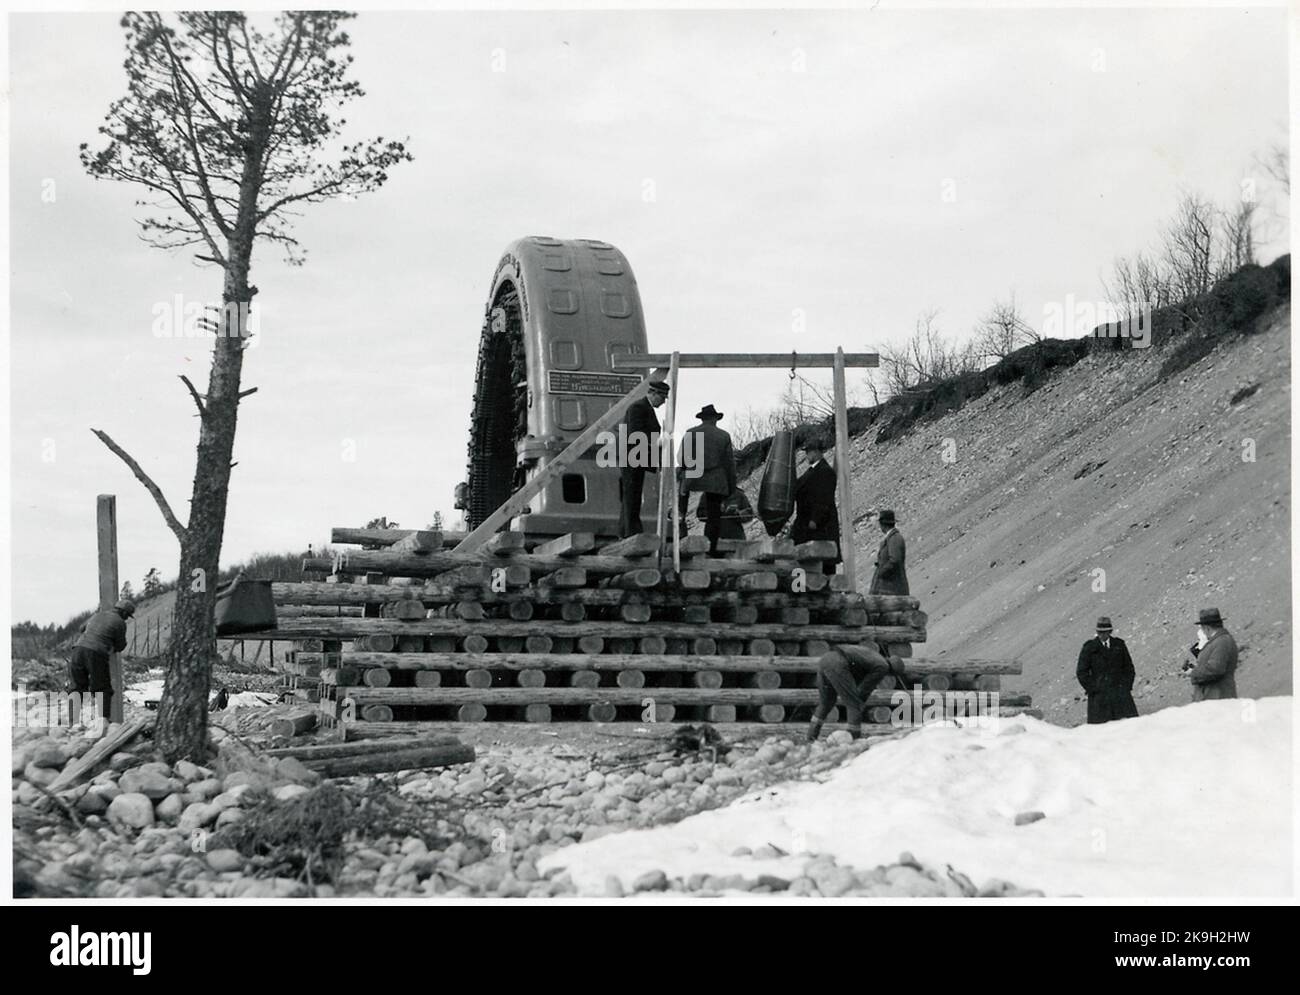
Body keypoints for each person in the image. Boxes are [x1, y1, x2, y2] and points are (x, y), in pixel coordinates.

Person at [808, 641, 903, 741]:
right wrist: (859, 704)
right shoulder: (883, 667)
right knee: (855, 705)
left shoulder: (875, 657)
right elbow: (865, 688)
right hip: (838, 662)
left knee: (826, 702)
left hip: (826, 658)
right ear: (892, 671)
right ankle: (854, 739)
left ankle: (811, 737)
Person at [677, 404, 736, 555]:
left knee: (681, 502)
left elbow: (682, 459)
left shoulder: (691, 433)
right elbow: (729, 464)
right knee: (714, 515)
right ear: (715, 419)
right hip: (715, 477)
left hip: (693, 473)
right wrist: (731, 487)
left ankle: (680, 537)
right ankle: (710, 548)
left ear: (702, 419)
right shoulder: (724, 436)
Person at [617, 379, 669, 537]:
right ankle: (632, 532)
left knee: (631, 496)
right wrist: (658, 443)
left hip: (636, 458)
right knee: (632, 496)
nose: (662, 403)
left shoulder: (643, 408)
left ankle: (625, 531)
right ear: (654, 394)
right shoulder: (638, 408)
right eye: (662, 398)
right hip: (633, 458)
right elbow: (635, 434)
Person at [70, 599, 134, 726]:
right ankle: (103, 721)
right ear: (125, 613)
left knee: (78, 687)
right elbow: (120, 645)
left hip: (77, 650)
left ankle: (72, 719)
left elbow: (81, 628)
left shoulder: (98, 614)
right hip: (95, 653)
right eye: (127, 616)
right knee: (102, 688)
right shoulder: (120, 622)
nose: (126, 619)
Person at [1075, 615, 1138, 724]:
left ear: (1110, 632)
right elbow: (1081, 672)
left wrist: (1125, 687)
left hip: (1120, 696)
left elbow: (1129, 668)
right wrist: (1094, 689)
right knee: (1102, 734)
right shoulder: (1089, 648)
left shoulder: (1119, 645)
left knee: (1127, 729)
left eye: (1105, 632)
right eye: (1100, 632)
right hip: (1100, 700)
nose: (1102, 635)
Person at [789, 439, 841, 569]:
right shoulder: (812, 471)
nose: (807, 455)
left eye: (808, 452)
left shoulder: (824, 471)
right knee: (800, 561)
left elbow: (824, 499)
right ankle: (799, 588)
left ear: (816, 452)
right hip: (806, 525)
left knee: (822, 563)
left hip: (819, 527)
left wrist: (815, 519)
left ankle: (822, 588)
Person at [1183, 607, 1238, 701]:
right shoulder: (1219, 641)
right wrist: (1195, 668)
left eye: (1202, 629)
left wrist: (1193, 672)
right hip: (1214, 699)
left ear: (1207, 628)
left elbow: (1215, 669)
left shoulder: (1222, 642)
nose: (1203, 632)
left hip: (1219, 699)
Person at [868, 509, 908, 595]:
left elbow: (895, 560)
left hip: (893, 589)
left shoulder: (894, 538)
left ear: (883, 525)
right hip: (889, 588)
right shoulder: (892, 537)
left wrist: (881, 572)